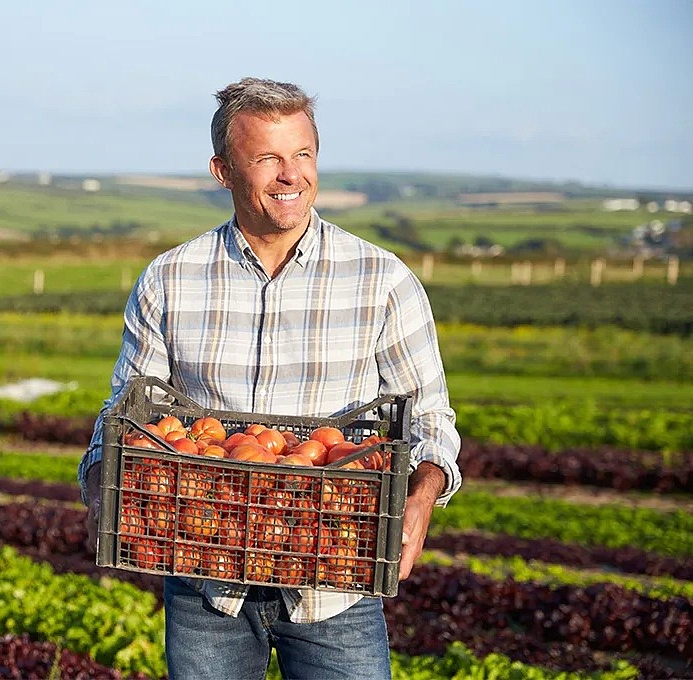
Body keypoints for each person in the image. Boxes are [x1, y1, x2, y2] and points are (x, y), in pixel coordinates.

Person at [79, 76, 461, 680]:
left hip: (336, 581)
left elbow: (430, 416)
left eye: (303, 154)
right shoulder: (170, 280)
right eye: (267, 159)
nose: (291, 175)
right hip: (208, 580)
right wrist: (104, 479)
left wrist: (421, 495)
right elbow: (127, 413)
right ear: (223, 170)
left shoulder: (382, 280)